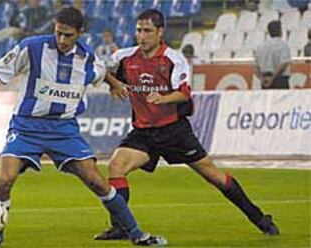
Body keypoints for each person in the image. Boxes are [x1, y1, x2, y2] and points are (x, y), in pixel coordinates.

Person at [0, 7, 166, 248]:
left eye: (68, 35)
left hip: (64, 130)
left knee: (97, 181)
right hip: (27, 126)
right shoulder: (32, 47)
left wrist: (113, 83)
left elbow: (100, 71)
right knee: (5, 179)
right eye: (58, 34)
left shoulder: (86, 57)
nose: (62, 40)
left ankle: (137, 234)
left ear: (80, 33)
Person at [94, 9, 280, 241]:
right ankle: (121, 227)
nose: (142, 36)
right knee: (115, 166)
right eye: (139, 30)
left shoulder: (173, 59)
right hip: (143, 132)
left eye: (148, 31)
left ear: (160, 32)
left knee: (214, 177)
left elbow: (184, 93)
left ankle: (260, 218)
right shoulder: (126, 57)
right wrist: (113, 83)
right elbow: (99, 69)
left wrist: (164, 98)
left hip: (174, 131)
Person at [254, 20, 291, 89]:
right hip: (280, 79)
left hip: (265, 79)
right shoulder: (283, 45)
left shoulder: (260, 47)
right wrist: (273, 77)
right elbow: (283, 63)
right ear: (280, 31)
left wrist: (261, 78)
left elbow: (256, 67)